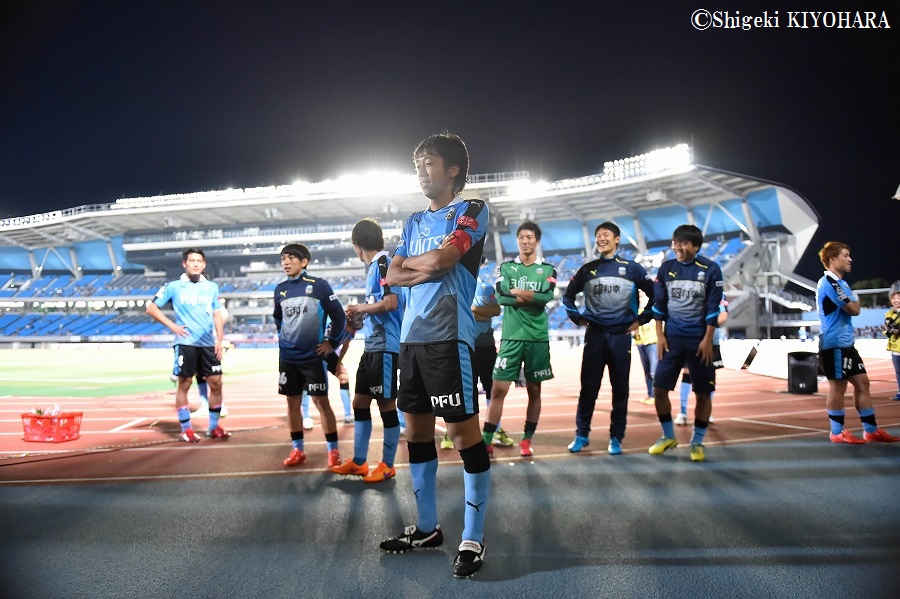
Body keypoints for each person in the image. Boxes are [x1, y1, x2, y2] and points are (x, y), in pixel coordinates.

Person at [379, 132, 491, 579]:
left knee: (463, 436)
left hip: (450, 338)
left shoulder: (471, 210)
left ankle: (473, 538)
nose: (421, 171)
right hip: (411, 341)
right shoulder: (411, 221)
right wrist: (423, 265)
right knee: (416, 433)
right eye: (417, 164)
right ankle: (427, 528)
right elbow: (391, 275)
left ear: (453, 169)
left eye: (429, 163)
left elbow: (446, 261)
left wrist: (418, 265)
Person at [562, 222, 654, 455]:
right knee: (588, 389)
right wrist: (578, 319)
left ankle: (616, 438)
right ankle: (581, 435)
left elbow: (657, 297)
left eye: (606, 235)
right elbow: (568, 297)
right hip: (595, 336)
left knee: (620, 390)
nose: (601, 239)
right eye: (598, 235)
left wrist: (641, 320)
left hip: (620, 337)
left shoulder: (632, 269)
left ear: (617, 239)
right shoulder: (587, 270)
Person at [329, 218, 404, 483]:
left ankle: (388, 465)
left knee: (386, 405)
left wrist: (360, 307)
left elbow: (391, 303)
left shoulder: (383, 263)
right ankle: (360, 462)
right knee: (359, 403)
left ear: (357, 244)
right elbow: (380, 307)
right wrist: (361, 316)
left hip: (385, 347)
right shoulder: (374, 268)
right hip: (372, 346)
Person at [481, 221, 557, 457]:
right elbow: (502, 298)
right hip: (511, 338)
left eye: (530, 237)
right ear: (517, 241)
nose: (525, 241)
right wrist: (532, 297)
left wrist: (519, 292)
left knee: (534, 391)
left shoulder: (548, 270)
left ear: (537, 241)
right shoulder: (506, 268)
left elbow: (546, 297)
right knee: (498, 390)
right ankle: (486, 440)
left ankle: (526, 440)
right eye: (521, 237)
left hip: (537, 339)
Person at [648, 224, 723, 462]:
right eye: (675, 242)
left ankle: (697, 442)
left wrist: (708, 340)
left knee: (703, 393)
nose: (678, 247)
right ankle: (668, 436)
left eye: (683, 243)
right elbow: (659, 305)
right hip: (672, 340)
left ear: (696, 246)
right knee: (659, 389)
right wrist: (660, 336)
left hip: (700, 341)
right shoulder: (666, 268)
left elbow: (713, 308)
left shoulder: (711, 269)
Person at [816, 242, 899, 443]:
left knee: (863, 383)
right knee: (838, 387)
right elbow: (854, 309)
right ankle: (837, 432)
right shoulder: (829, 282)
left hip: (847, 344)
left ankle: (871, 430)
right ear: (832, 259)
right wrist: (854, 303)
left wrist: (854, 303)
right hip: (834, 344)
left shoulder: (842, 284)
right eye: (845, 255)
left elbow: (855, 306)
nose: (850, 259)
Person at [273, 243, 347, 468]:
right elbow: (278, 319)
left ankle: (333, 451)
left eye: (291, 258)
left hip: (313, 357)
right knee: (292, 402)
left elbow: (339, 317)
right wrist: (285, 339)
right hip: (288, 359)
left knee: (321, 402)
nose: (285, 262)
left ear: (304, 262)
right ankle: (298, 449)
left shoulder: (319, 286)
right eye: (283, 259)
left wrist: (331, 343)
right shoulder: (280, 290)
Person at [146, 248, 230, 442]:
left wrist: (219, 340)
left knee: (216, 383)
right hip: (186, 343)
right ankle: (186, 429)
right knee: (184, 384)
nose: (195, 264)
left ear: (204, 264)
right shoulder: (174, 286)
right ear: (185, 264)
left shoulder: (211, 287)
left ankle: (213, 427)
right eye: (191, 260)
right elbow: (151, 308)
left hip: (208, 344)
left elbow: (217, 313)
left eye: (199, 261)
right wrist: (173, 326)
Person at [442, 255, 509, 450]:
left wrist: (471, 309)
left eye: (479, 262)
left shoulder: (487, 288)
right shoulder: (455, 287)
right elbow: (453, 312)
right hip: (462, 345)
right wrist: (480, 311)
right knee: (460, 391)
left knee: (491, 388)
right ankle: (451, 432)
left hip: (485, 346)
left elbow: (495, 310)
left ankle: (495, 430)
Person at [674, 298, 727, 425]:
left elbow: (723, 316)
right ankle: (683, 412)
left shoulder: (719, 293)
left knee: (709, 374)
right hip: (690, 338)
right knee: (687, 372)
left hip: (712, 341)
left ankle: (707, 412)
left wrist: (704, 326)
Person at [633, 292, 657, 405]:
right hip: (640, 343)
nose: (640, 297)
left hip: (652, 342)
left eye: (642, 295)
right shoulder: (636, 311)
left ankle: (657, 395)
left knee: (653, 371)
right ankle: (650, 395)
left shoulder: (652, 310)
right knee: (647, 371)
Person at [883, 290, 900, 401]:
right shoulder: (889, 314)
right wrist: (890, 331)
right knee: (898, 371)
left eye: (898, 298)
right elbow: (886, 329)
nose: (896, 300)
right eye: (894, 298)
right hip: (895, 347)